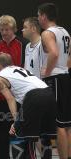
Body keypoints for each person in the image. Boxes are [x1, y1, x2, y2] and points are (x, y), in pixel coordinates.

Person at [0, 53, 56, 159]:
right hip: (49, 93)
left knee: (24, 135)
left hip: (33, 96)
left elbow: (10, 99)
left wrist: (16, 121)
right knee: (44, 135)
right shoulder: (19, 68)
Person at [0, 15, 28, 159]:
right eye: (2, 29)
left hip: (19, 96)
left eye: (7, 29)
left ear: (14, 29)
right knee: (1, 134)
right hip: (0, 96)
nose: (4, 32)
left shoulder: (24, 44)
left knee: (21, 130)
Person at [38, 3, 71, 159]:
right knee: (67, 124)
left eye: (38, 15)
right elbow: (69, 58)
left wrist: (48, 72)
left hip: (56, 78)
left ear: (44, 16)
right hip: (65, 77)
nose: (38, 18)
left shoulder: (47, 33)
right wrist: (63, 68)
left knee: (59, 125)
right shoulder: (64, 32)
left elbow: (54, 53)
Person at [22, 17, 54, 158]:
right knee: (32, 130)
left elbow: (56, 54)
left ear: (33, 28)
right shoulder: (28, 46)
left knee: (44, 130)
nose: (22, 30)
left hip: (43, 91)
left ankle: (47, 154)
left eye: (24, 27)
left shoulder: (43, 44)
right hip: (30, 93)